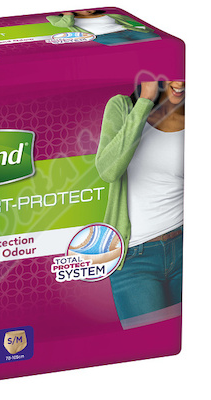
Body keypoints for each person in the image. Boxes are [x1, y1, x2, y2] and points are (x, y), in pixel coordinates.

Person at [95, 81, 185, 329]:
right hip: (135, 258)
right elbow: (107, 170)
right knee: (152, 343)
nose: (180, 82)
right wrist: (145, 101)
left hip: (185, 247)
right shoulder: (122, 107)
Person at [46, 10, 159, 45]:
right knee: (129, 49)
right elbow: (65, 24)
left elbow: (133, 20)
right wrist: (68, 13)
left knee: (157, 41)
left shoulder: (111, 12)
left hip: (129, 31)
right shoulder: (61, 18)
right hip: (104, 36)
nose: (88, 10)